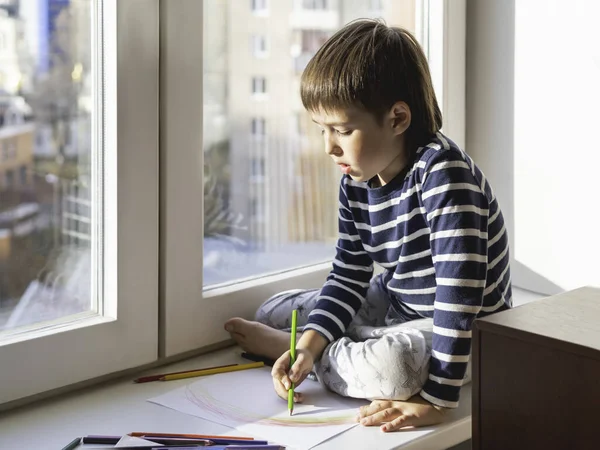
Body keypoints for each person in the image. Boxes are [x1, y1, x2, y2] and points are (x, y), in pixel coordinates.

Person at [224, 18, 511, 432]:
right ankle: (329, 342)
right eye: (321, 129)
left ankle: (336, 347)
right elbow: (349, 274)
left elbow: (458, 298)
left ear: (397, 119)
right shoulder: (356, 180)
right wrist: (308, 340)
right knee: (271, 313)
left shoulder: (444, 176)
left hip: (465, 327)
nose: (328, 146)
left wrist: (437, 399)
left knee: (393, 371)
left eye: (342, 129)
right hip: (399, 302)